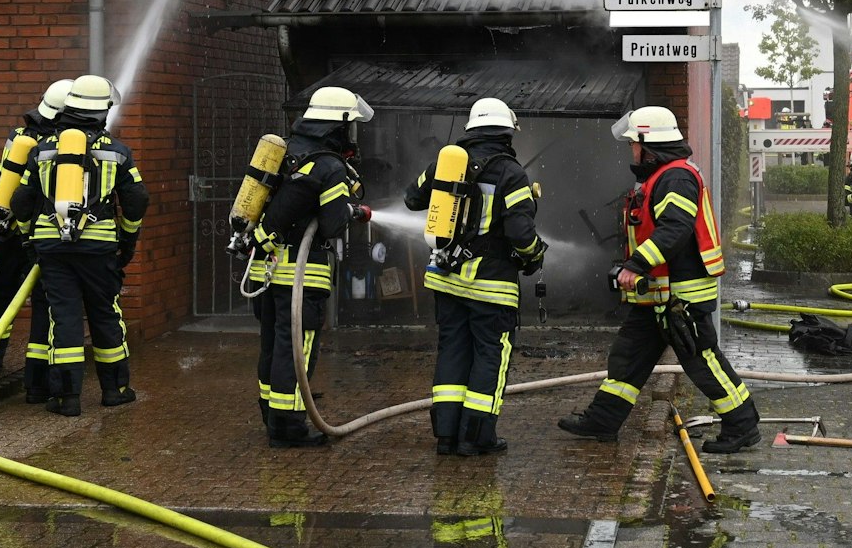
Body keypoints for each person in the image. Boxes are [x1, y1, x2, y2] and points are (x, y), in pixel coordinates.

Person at [558, 106, 761, 454]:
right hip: (657, 295)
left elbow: (676, 229)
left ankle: (742, 425)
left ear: (648, 144)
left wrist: (635, 265)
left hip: (682, 295)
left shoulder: (676, 178)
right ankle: (603, 421)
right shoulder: (662, 177)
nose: (631, 152)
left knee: (701, 361)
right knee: (627, 357)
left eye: (633, 145)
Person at [402, 97, 544, 457]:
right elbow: (521, 234)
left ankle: (447, 437)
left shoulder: (447, 163)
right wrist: (535, 255)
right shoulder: (511, 173)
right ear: (506, 133)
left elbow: (412, 199)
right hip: (491, 287)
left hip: (446, 279)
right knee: (489, 356)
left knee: (452, 351)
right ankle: (477, 437)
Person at [236, 85, 372, 448]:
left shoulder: (285, 150)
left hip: (265, 267)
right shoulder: (327, 166)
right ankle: (289, 428)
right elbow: (331, 225)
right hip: (301, 273)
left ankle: (271, 414)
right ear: (338, 125)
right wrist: (350, 211)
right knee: (296, 349)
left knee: (272, 344)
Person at [7, 75, 147, 416]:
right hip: (99, 248)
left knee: (63, 317)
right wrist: (127, 239)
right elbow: (137, 199)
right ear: (102, 112)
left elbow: (21, 200)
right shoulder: (118, 152)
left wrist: (28, 237)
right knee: (105, 313)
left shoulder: (42, 150)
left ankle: (66, 398)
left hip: (52, 248)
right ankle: (115, 390)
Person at [0, 79, 70, 393]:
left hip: (8, 229)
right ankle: (40, 378)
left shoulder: (20, 136)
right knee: (45, 302)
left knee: (3, 292)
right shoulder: (63, 143)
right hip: (41, 233)